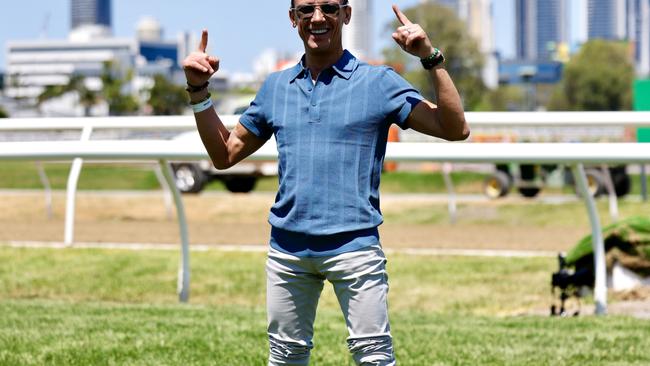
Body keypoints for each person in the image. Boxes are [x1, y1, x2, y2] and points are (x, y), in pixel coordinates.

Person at [182, 1, 468, 364]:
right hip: (287, 251)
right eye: (306, 10)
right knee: (285, 357)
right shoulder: (276, 87)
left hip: (356, 247)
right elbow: (224, 155)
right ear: (293, 19)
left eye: (329, 8)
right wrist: (197, 89)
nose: (317, 18)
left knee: (374, 358)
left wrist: (430, 57)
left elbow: (455, 129)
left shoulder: (378, 83)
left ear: (346, 15)